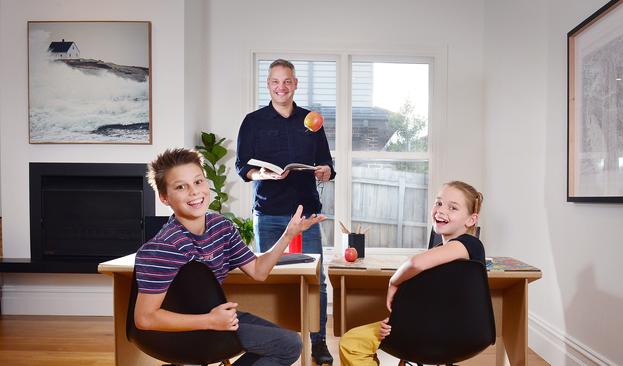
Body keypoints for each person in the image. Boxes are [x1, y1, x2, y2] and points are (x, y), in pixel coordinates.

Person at [134, 148, 326, 366]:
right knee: (287, 345)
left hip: (216, 317)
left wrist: (288, 235)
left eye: (198, 182)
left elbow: (258, 271)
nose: (194, 192)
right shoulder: (164, 247)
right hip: (181, 330)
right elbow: (145, 318)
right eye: (181, 187)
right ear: (165, 198)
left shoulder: (221, 227)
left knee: (289, 342)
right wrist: (210, 321)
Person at [236, 59, 335, 364]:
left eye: (287, 81)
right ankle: (276, 339)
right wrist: (264, 175)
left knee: (315, 279)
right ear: (268, 85)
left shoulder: (312, 121)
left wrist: (325, 171)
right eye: (275, 81)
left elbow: (328, 165)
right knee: (271, 279)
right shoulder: (253, 121)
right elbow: (243, 168)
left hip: (305, 214)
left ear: (295, 84)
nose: (281, 87)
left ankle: (318, 343)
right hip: (269, 213)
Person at [338, 181, 486, 366]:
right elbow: (425, 300)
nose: (441, 210)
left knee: (351, 344)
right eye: (438, 203)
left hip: (447, 332)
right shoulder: (440, 252)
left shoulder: (470, 244)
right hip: (428, 326)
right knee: (357, 341)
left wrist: (393, 282)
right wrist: (397, 321)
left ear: (471, 220)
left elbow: (415, 263)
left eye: (453, 208)